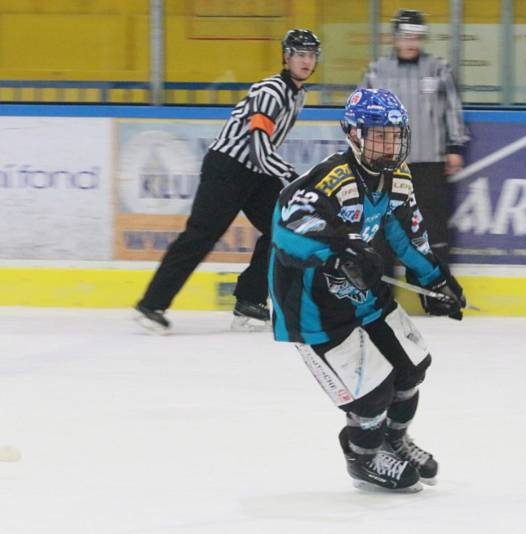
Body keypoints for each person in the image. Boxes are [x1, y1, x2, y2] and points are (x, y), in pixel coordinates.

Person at [268, 88, 467, 492]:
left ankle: (393, 440)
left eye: (394, 135)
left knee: (412, 366)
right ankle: (363, 453)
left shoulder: (398, 178)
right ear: (354, 136)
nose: (389, 144)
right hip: (311, 304)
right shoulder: (333, 178)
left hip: (360, 290)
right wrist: (340, 246)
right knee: (372, 394)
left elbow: (407, 236)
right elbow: (287, 228)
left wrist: (435, 280)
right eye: (379, 135)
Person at [134, 29, 321, 332]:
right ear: (286, 57)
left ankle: (249, 299)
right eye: (299, 54)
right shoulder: (271, 91)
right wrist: (294, 178)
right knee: (201, 235)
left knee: (284, 226)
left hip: (256, 175)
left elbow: (263, 155)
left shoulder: (299, 94)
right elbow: (259, 149)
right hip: (227, 169)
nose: (306, 60)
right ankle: (151, 304)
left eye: (311, 55)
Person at [363, 8, 469, 261]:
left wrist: (455, 147)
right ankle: (382, 296)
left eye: (416, 37)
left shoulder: (438, 69)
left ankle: (438, 294)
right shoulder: (378, 72)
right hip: (387, 165)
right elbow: (362, 113)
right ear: (395, 38)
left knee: (433, 230)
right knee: (383, 229)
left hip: (429, 164)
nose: (410, 42)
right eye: (405, 36)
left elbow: (452, 108)